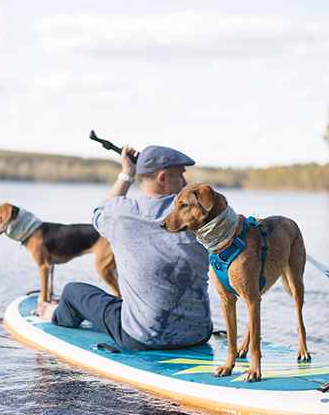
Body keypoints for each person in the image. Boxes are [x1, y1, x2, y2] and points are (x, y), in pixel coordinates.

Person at [33, 144, 211, 350]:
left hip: (142, 337)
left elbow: (98, 213)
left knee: (73, 291)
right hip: (199, 334)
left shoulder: (119, 213)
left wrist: (127, 173)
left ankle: (54, 315)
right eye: (181, 176)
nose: (185, 183)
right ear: (162, 179)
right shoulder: (200, 216)